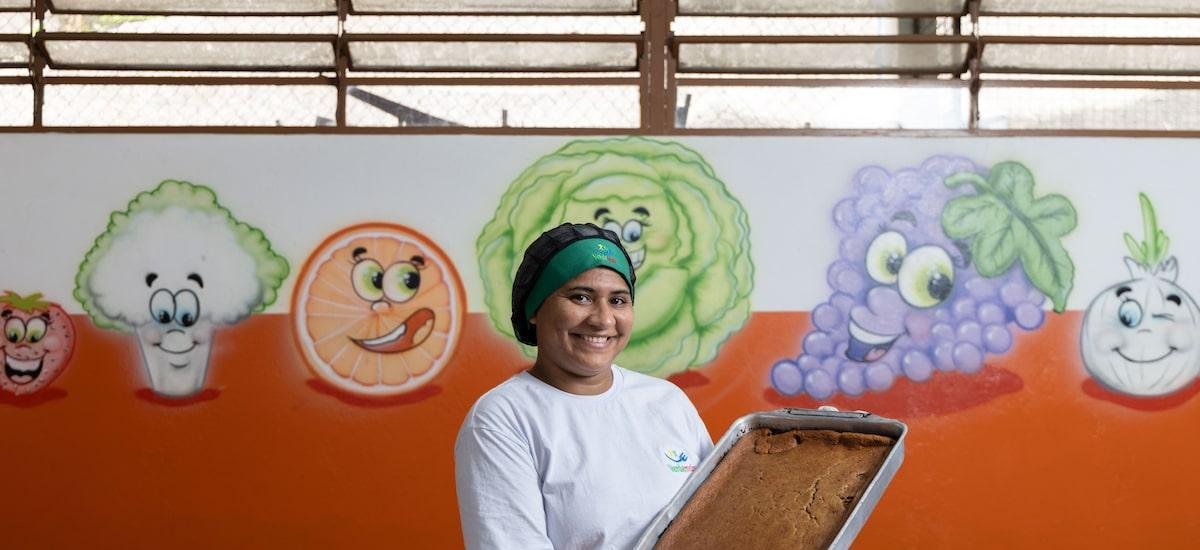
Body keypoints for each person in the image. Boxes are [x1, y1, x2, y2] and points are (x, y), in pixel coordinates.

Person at [455, 222, 714, 549]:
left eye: (618, 301)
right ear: (535, 309)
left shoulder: (667, 402)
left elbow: (717, 519)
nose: (603, 319)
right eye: (581, 297)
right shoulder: (503, 419)